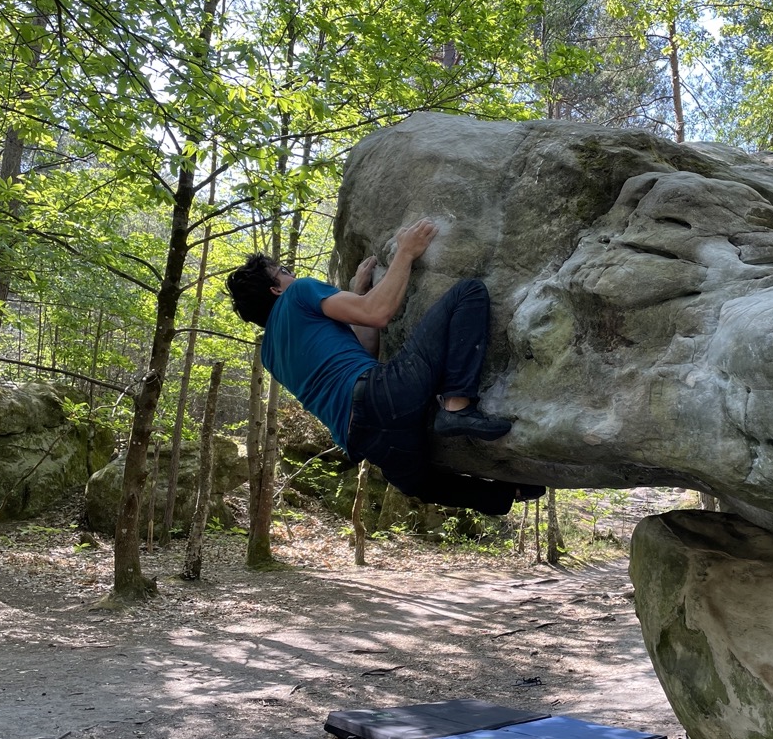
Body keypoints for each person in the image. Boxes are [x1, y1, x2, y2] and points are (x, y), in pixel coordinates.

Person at [225, 218, 542, 516]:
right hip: (381, 395)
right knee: (468, 292)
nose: (291, 274)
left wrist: (358, 292)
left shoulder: (270, 355)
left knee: (419, 484)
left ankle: (508, 493)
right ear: (276, 289)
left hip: (364, 438)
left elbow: (364, 350)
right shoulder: (299, 292)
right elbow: (377, 313)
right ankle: (457, 406)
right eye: (283, 271)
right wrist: (406, 252)